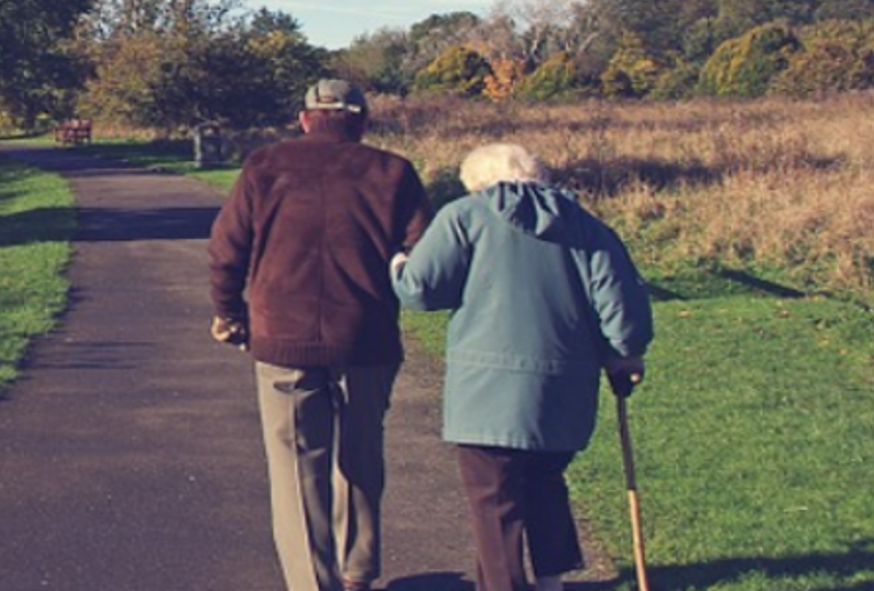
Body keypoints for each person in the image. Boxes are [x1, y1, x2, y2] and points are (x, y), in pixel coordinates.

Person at [389, 143, 654, 591]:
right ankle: (550, 581)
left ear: (478, 181)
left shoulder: (464, 216)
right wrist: (624, 354)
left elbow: (421, 290)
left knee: (494, 499)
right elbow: (622, 310)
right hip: (564, 385)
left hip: (485, 388)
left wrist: (398, 264)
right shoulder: (587, 227)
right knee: (546, 481)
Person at [207, 79, 433, 591]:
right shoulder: (393, 172)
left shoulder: (264, 166)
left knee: (294, 469)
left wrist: (229, 313)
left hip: (282, 337)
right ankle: (357, 572)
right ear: (361, 121)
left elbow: (226, 251)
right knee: (361, 456)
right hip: (367, 339)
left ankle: (314, 583)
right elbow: (424, 259)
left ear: (304, 117)